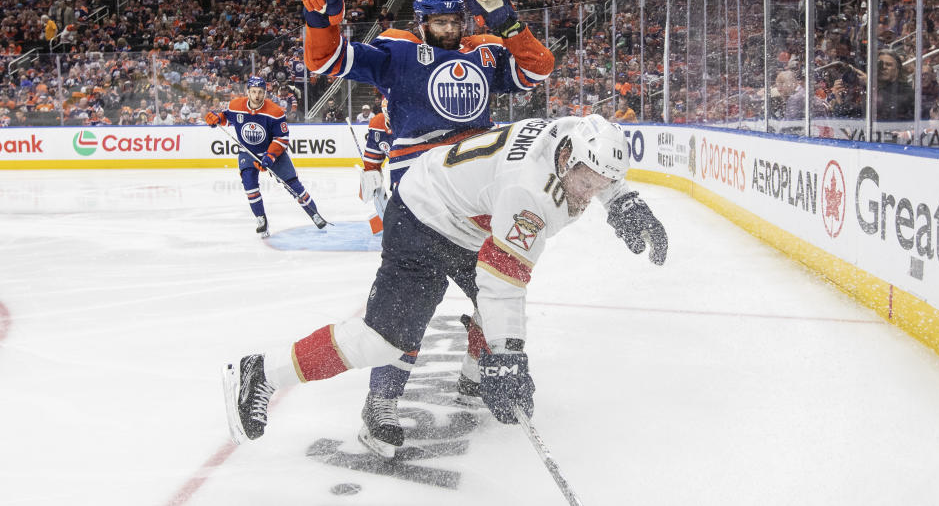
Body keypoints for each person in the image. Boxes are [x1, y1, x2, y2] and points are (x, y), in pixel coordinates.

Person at [222, 114, 668, 455]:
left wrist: (623, 200)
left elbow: (599, 164)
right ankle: (261, 371)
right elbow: (502, 286)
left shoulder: (571, 131)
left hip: (464, 214)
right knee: (383, 340)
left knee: (492, 310)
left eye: (600, 185)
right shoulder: (528, 195)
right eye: (587, 183)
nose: (589, 193)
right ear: (568, 159)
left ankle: (476, 378)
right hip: (423, 216)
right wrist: (509, 359)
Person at [297, 0, 556, 455]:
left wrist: (504, 18)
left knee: (493, 299)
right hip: (423, 207)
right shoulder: (396, 53)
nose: (451, 29)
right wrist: (321, 17)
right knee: (403, 316)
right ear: (421, 22)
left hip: (479, 204)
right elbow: (326, 58)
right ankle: (382, 403)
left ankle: (475, 373)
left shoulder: (483, 51)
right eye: (440, 23)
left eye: (456, 20)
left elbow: (539, 68)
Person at [204, 76, 327, 237]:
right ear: (248, 92)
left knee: (293, 185)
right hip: (248, 152)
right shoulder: (235, 106)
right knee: (249, 185)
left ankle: (314, 214)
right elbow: (228, 118)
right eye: (254, 92)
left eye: (260, 92)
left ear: (265, 93)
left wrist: (269, 157)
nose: (257, 96)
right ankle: (261, 219)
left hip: (273, 153)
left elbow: (282, 138)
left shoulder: (275, 112)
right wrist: (217, 119)